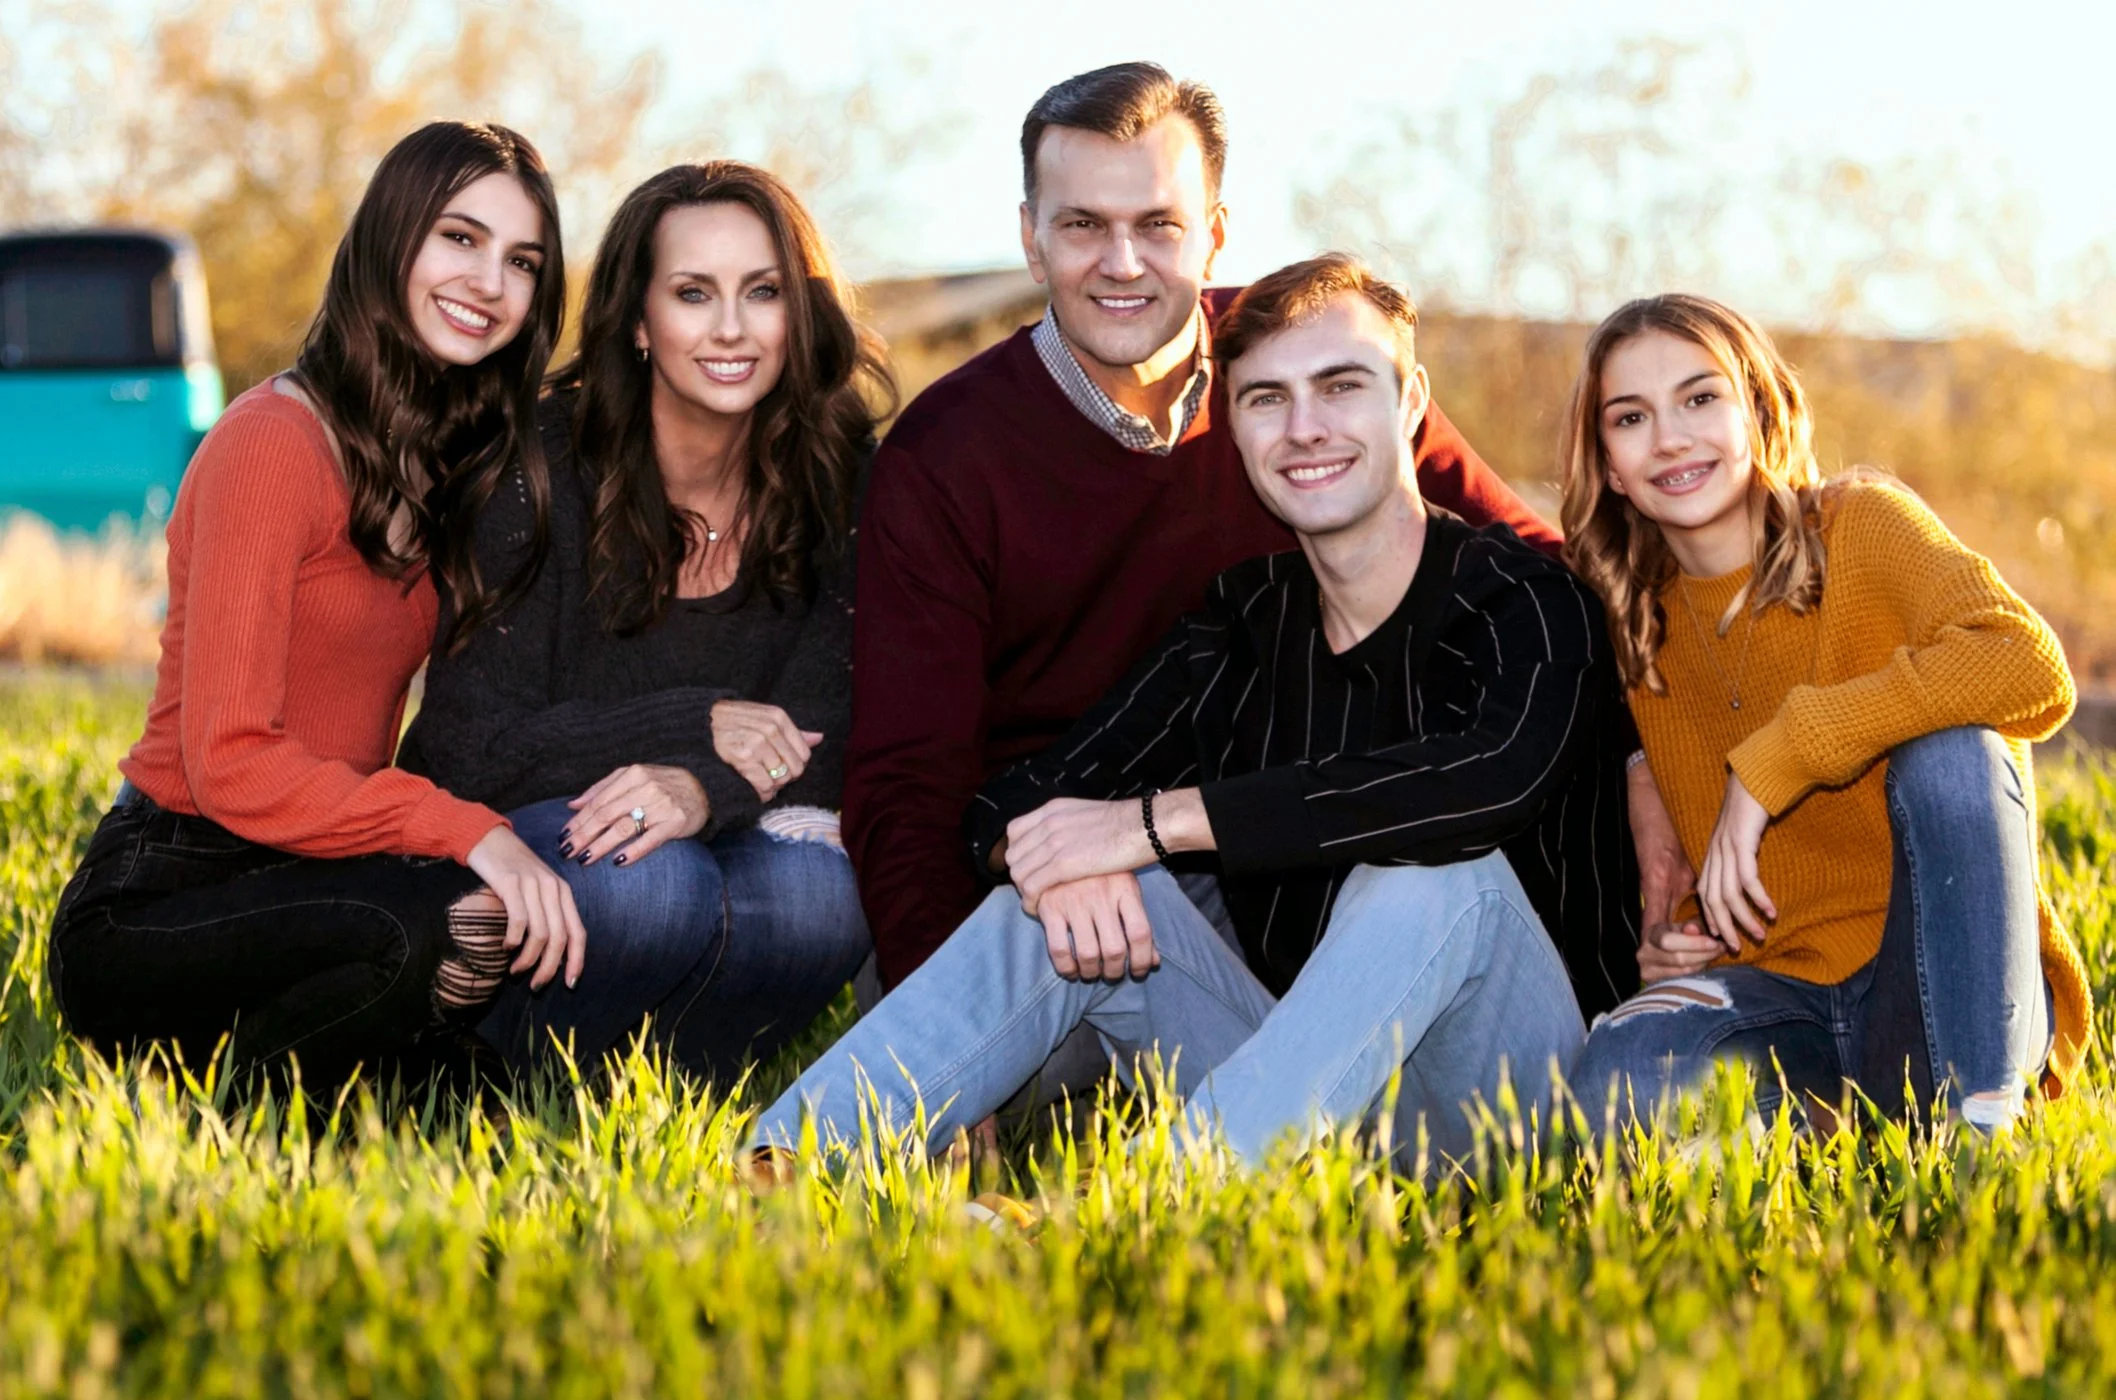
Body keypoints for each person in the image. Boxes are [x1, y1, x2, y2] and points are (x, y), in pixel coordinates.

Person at [750, 255, 1640, 1163]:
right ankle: (787, 1164)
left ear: (1410, 402)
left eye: (1341, 386)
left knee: (1434, 878)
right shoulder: (1243, 623)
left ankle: (1163, 1205)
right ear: (1233, 429)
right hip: (1312, 1100)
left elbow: (1482, 782)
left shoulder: (1528, 602)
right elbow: (1011, 800)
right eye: (1266, 400)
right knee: (1072, 873)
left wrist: (1149, 825)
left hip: (1520, 1109)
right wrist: (1069, 858)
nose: (1305, 428)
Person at [844, 62, 1565, 1000]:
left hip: (1295, 845)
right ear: (1031, 239)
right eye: (1082, 225)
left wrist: (1637, 753)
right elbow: (909, 777)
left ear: (1216, 235)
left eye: (1159, 225)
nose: (1123, 263)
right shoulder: (944, 452)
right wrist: (945, 982)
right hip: (1049, 868)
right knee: (993, 1025)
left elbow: (1539, 572)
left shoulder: (1304, 369)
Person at [45, 122, 588, 1094]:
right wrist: (470, 829)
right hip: (168, 892)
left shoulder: (449, 462)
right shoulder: (273, 442)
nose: (489, 281)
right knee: (449, 922)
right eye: (460, 238)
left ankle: (348, 1077)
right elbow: (229, 762)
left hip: (321, 874)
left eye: (522, 262)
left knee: (484, 1055)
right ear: (390, 238)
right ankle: (231, 1096)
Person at [398, 162, 887, 1081]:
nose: (731, 328)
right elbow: (468, 747)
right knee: (654, 883)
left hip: (730, 824)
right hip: (524, 844)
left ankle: (657, 1094)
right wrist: (692, 722)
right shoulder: (538, 469)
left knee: (820, 895)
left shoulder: (844, 479)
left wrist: (704, 785)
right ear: (637, 320)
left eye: (764, 292)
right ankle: (498, 1074)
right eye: (693, 293)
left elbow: (835, 728)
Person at [1560, 293, 2090, 1131]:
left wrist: (1782, 755)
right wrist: (1676, 943)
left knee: (1952, 754)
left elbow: (2030, 664)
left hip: (1954, 984)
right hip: (1784, 1002)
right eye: (1631, 417)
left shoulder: (1861, 525)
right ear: (1610, 467)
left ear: (1758, 410)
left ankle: (1974, 1135)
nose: (1670, 438)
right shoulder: (1632, 623)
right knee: (1617, 1079)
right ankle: (1847, 1119)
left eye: (1700, 398)